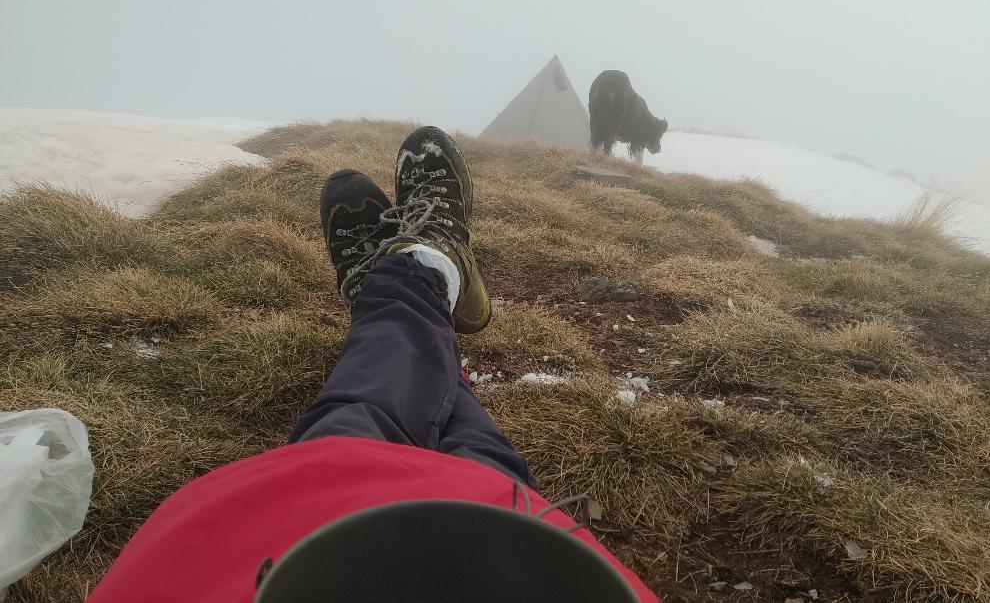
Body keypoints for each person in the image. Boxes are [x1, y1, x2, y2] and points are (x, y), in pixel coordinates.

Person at [87, 126, 657, 602]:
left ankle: (395, 286)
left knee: (364, 426)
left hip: (287, 539)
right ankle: (425, 266)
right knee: (468, 458)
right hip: (519, 556)